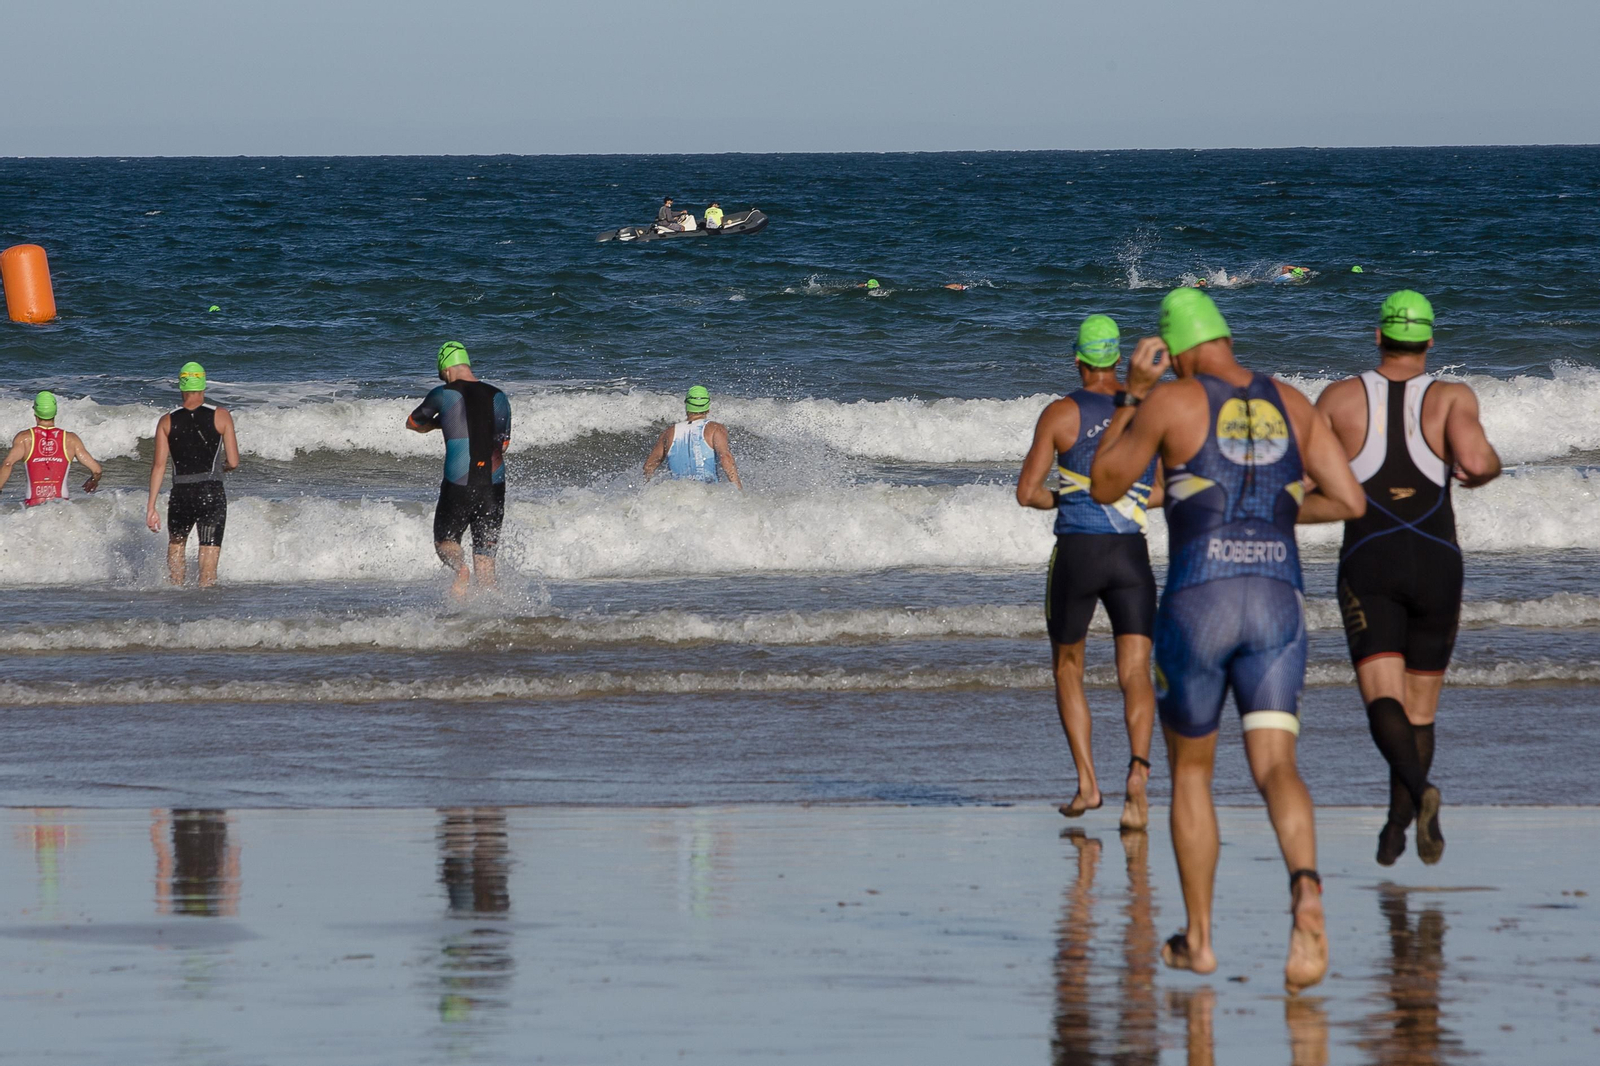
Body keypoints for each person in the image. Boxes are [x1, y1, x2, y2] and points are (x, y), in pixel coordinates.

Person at [1089, 288, 1366, 993]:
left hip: (1199, 601)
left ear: (1177, 348)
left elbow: (1106, 483)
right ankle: (1304, 885)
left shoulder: (1172, 402)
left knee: (1191, 775)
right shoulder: (1292, 400)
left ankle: (1201, 939)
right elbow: (1350, 501)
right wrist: (1272, 511)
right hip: (1277, 601)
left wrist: (1132, 396)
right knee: (1278, 765)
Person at [1314, 290, 1500, 867]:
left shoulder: (1340, 398)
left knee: (1382, 699)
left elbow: (1308, 476)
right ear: (1429, 341)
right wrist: (1480, 473)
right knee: (1421, 708)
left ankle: (1419, 798)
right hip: (1438, 559)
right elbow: (1479, 461)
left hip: (1371, 557)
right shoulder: (1452, 398)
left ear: (1378, 336)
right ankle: (1399, 822)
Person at [1016, 314, 1162, 831]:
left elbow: (1027, 493)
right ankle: (1139, 778)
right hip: (1130, 556)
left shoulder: (1059, 414)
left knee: (1068, 669)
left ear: (1078, 359)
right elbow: (1160, 491)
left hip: (1077, 553)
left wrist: (1065, 495)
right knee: (1135, 672)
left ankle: (1087, 784)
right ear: (1118, 360)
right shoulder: (1146, 409)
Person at [407, 342, 513, 598]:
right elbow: (504, 444)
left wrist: (438, 425)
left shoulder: (443, 393)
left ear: (445, 368)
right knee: (486, 562)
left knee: (445, 543)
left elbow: (413, 422)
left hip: (458, 484)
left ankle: (460, 571)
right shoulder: (499, 396)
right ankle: (493, 620)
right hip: (493, 486)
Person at [146, 362, 240, 588]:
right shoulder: (221, 415)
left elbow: (159, 466)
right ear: (204, 385)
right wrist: (222, 468)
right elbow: (234, 462)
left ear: (181, 386)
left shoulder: (167, 420)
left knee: (177, 544)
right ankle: (205, 597)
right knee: (209, 546)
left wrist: (151, 507)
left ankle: (176, 589)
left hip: (181, 493)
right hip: (211, 492)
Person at [0, 391, 104, 505]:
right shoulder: (70, 439)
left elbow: (8, 464)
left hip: (33, 508)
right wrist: (93, 480)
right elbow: (97, 470)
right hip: (61, 508)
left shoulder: (24, 438)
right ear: (55, 412)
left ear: (35, 412)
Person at [643, 386, 743, 489]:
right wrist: (739, 490)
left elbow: (648, 466)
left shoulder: (669, 432)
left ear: (686, 405)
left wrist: (648, 489)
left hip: (677, 495)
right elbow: (725, 458)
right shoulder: (715, 429)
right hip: (706, 495)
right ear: (708, 407)